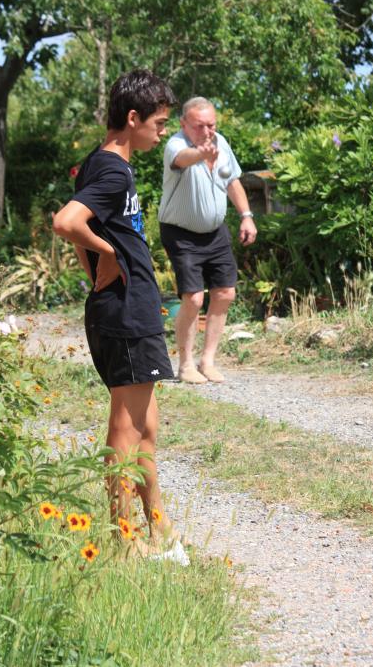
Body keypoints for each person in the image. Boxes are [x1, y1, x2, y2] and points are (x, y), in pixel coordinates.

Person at [53, 69, 186, 561]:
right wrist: (106, 254)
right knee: (126, 431)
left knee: (146, 428)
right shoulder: (112, 168)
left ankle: (161, 532)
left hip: (129, 310)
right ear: (133, 119)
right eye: (158, 122)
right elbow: (66, 222)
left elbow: (79, 220)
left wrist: (99, 258)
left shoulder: (98, 164)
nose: (161, 131)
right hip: (126, 312)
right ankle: (121, 542)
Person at [158, 97, 257, 384]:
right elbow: (182, 160)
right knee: (193, 298)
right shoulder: (175, 145)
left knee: (225, 293)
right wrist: (202, 153)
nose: (206, 131)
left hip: (215, 231)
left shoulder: (220, 142)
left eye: (211, 125)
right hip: (181, 232)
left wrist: (246, 215)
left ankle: (208, 361)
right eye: (199, 126)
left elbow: (232, 180)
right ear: (184, 124)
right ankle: (185, 364)